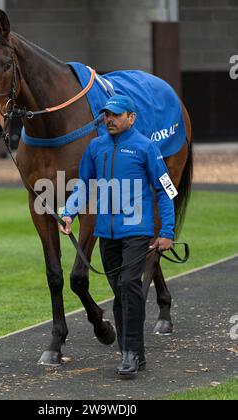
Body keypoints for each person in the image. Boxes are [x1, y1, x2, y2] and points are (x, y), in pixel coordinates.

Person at [59, 95, 177, 377]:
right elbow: (84, 186)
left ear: (131, 117)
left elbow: (165, 190)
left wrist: (167, 231)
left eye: (116, 114)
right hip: (106, 233)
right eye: (106, 115)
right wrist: (69, 213)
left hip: (137, 231)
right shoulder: (95, 147)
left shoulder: (146, 148)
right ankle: (136, 353)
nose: (109, 119)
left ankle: (130, 353)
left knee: (128, 285)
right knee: (121, 292)